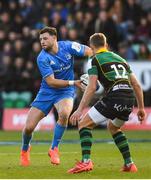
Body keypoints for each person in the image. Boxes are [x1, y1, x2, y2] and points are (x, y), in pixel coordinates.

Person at [68, 33, 146, 174]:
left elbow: (91, 87)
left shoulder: (94, 59)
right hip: (129, 98)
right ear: (106, 45)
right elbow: (136, 85)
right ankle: (129, 164)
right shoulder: (121, 59)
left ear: (91, 47)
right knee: (113, 127)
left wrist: (79, 109)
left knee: (84, 124)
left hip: (115, 96)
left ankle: (86, 162)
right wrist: (141, 108)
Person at [20, 26, 92, 166]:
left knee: (64, 113)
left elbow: (89, 51)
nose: (42, 41)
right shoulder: (42, 57)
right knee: (29, 127)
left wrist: (90, 68)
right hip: (47, 91)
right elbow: (51, 82)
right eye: (40, 39)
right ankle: (25, 150)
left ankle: (54, 148)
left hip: (65, 91)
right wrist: (74, 82)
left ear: (54, 38)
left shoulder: (68, 46)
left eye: (45, 38)